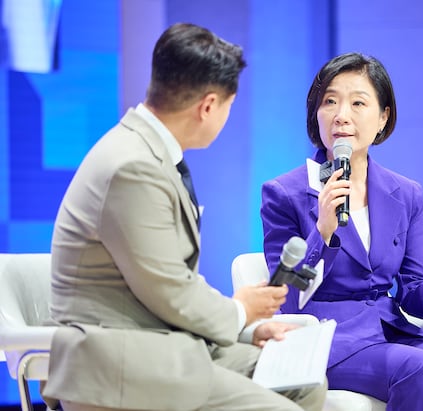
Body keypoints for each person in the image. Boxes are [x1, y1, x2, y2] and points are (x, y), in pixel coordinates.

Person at [43, 23, 326, 411]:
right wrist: (241, 311)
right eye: (228, 105)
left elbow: (171, 279)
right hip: (121, 365)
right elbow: (170, 292)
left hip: (163, 345)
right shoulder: (132, 168)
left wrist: (243, 326)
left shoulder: (148, 153)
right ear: (208, 106)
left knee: (304, 383)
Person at [261, 52, 423, 410]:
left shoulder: (405, 194)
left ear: (383, 117)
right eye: (329, 102)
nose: (341, 115)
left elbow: (411, 289)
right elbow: (286, 299)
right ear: (315, 114)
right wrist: (322, 232)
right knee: (421, 369)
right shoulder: (285, 193)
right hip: (326, 337)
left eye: (358, 103)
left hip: (388, 328)